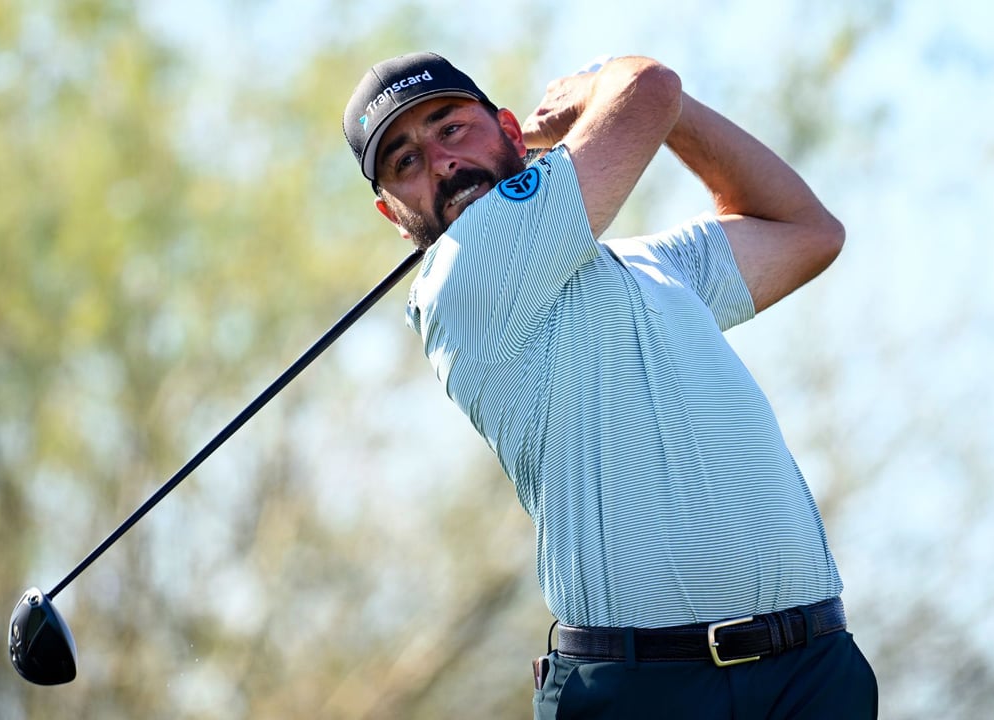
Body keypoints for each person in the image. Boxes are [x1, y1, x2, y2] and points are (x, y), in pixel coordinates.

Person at [343, 52, 877, 719]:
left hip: (811, 672)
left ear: (512, 132)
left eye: (451, 130)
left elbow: (806, 231)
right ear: (394, 216)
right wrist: (605, 91)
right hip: (646, 691)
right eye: (406, 163)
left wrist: (673, 114)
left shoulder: (650, 265)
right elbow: (646, 87)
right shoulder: (460, 282)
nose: (441, 162)